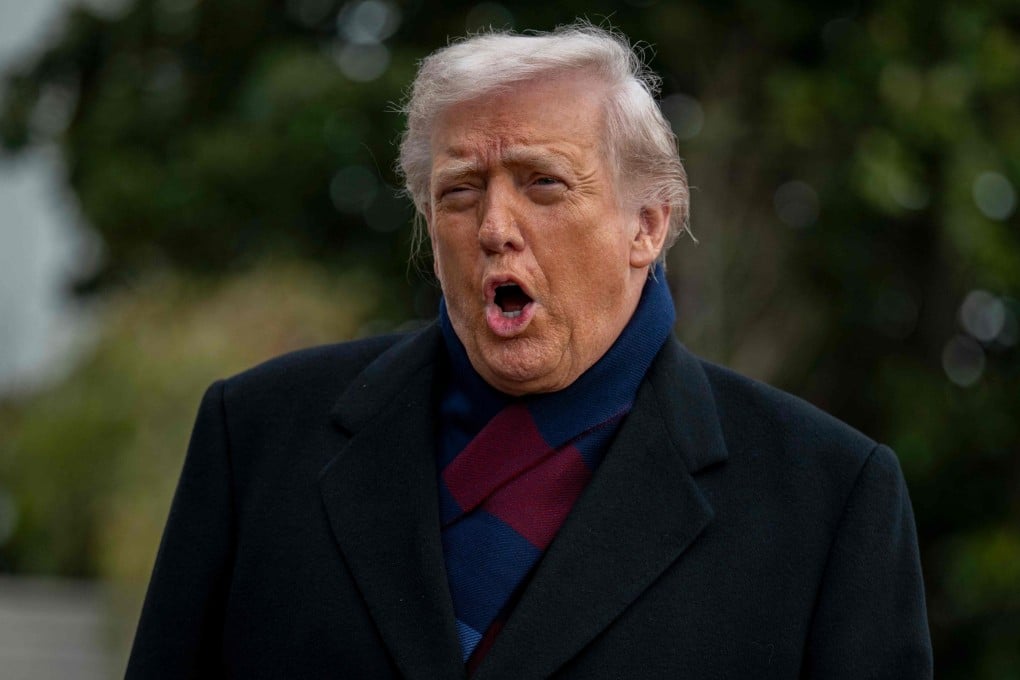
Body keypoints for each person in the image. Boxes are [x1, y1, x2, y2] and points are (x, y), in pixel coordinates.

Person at [126, 23, 933, 679]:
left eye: (544, 184)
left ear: (647, 225)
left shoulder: (830, 500)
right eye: (460, 191)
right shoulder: (259, 436)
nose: (495, 228)